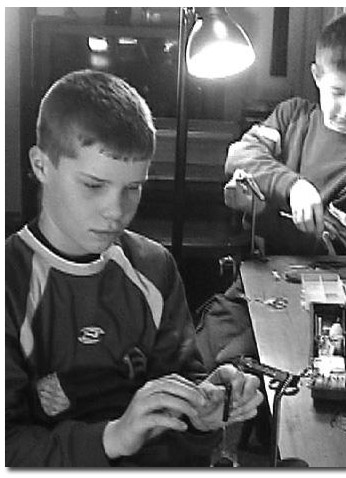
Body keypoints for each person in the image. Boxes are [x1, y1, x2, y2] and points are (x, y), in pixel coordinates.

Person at [5, 69, 263, 467]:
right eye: (93, 185)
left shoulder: (152, 266)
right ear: (41, 166)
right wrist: (113, 437)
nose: (116, 211)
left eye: (133, 188)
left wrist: (204, 403)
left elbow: (180, 382)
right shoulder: (12, 284)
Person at [196, 10, 346, 368]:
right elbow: (240, 155)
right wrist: (294, 186)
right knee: (202, 350)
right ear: (316, 75)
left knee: (240, 364)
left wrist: (261, 211)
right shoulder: (292, 115)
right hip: (256, 276)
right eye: (337, 91)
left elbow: (327, 249)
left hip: (321, 296)